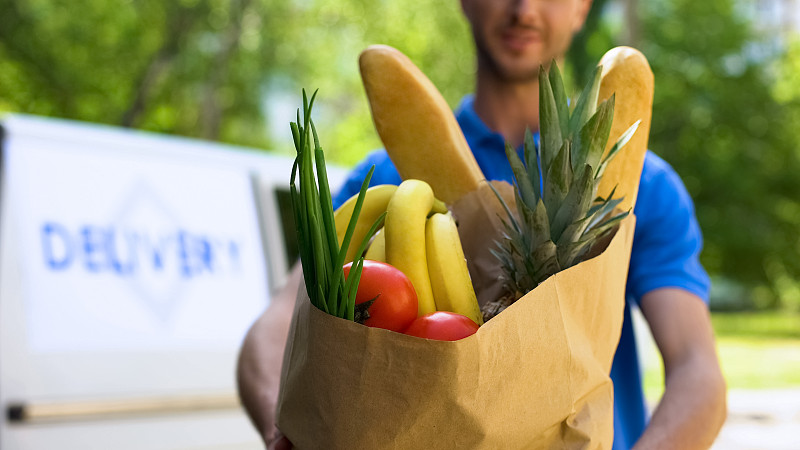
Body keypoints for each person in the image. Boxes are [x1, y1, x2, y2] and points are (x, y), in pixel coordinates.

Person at [237, 1, 728, 449]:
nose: (524, 9)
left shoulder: (640, 183)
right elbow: (278, 326)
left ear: (583, 8)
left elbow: (696, 369)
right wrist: (281, 429)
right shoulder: (386, 182)